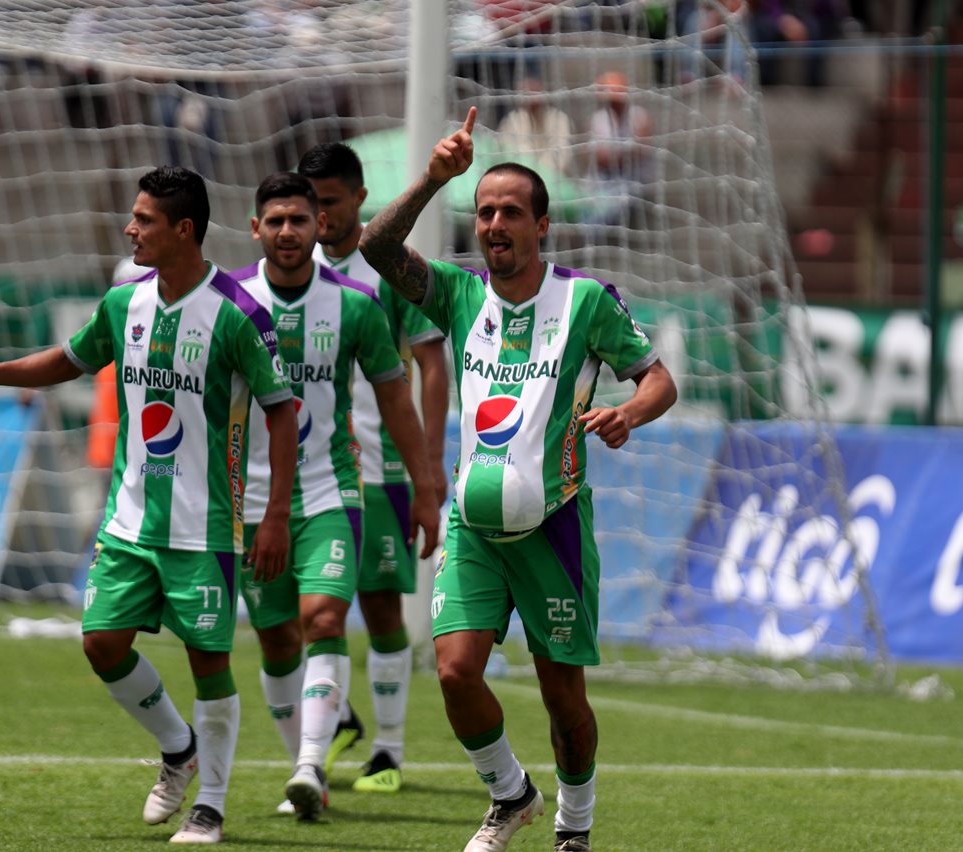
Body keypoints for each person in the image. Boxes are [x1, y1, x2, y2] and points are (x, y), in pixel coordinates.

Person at [0, 165, 299, 846]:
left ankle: (210, 805)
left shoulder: (240, 315)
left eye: (144, 220)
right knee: (101, 643)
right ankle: (178, 748)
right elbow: (68, 361)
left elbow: (281, 414)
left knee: (208, 662)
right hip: (130, 521)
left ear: (183, 230)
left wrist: (273, 516)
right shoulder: (124, 302)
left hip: (204, 528)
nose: (130, 228)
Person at [358, 108, 678, 852]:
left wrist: (629, 411)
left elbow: (658, 379)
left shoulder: (586, 303)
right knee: (453, 671)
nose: (494, 223)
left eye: (510, 212)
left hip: (553, 528)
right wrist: (436, 178)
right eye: (484, 212)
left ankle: (574, 825)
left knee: (564, 700)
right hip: (475, 528)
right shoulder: (457, 294)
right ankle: (510, 796)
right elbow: (376, 245)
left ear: (542, 227)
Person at [232, 171, 440, 820]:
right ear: (256, 228)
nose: (291, 230)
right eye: (278, 220)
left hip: (332, 491)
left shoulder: (355, 304)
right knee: (276, 640)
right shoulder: (230, 300)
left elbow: (394, 399)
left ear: (321, 224)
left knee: (327, 618)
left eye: (303, 219)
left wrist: (426, 484)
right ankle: (311, 772)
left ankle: (314, 764)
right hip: (248, 501)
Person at [298, 141, 450, 795]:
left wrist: (430, 469)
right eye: (309, 204)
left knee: (381, 607)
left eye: (329, 202)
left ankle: (387, 749)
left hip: (380, 464)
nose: (317, 216)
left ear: (360, 198)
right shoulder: (287, 267)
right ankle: (336, 719)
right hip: (305, 471)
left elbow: (431, 363)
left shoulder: (387, 267)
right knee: (299, 614)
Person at [587, 70, 654, 227]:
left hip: (633, 177)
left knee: (612, 204)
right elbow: (600, 159)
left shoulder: (639, 116)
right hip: (604, 176)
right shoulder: (599, 118)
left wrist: (616, 156)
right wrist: (625, 153)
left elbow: (639, 152)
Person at [496, 76, 574, 176]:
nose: (531, 97)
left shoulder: (559, 119)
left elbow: (562, 154)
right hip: (520, 177)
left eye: (534, 92)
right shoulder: (512, 120)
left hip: (555, 179)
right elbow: (506, 150)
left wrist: (542, 172)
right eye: (526, 93)